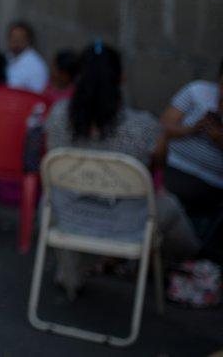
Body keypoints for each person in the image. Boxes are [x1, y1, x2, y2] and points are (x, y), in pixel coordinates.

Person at [45, 42, 200, 296]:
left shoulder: (57, 116)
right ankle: (190, 258)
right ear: (122, 77)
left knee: (59, 197)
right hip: (125, 224)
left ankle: (77, 267)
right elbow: (159, 163)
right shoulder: (144, 127)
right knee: (168, 206)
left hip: (66, 215)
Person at [160, 59, 223, 229]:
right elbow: (163, 127)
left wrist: (218, 139)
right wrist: (192, 129)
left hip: (212, 186)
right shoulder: (198, 91)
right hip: (173, 169)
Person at [5, 20, 49, 93]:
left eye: (19, 38)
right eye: (12, 37)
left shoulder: (36, 65)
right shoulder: (8, 56)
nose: (15, 41)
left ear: (28, 40)